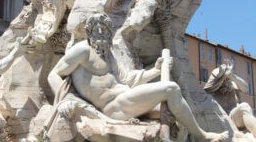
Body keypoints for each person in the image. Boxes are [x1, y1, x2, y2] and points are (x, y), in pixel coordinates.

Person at [48, 13, 228, 141]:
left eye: (105, 30)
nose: (101, 33)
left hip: (126, 99)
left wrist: (156, 70)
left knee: (175, 110)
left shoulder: (109, 55)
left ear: (110, 34)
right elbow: (54, 74)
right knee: (171, 89)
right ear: (90, 33)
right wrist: (64, 100)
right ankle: (202, 136)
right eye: (97, 30)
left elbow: (126, 80)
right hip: (112, 108)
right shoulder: (82, 51)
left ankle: (193, 136)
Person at [205, 62, 256, 138]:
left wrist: (232, 75)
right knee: (244, 106)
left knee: (244, 107)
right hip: (223, 120)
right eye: (224, 79)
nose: (227, 81)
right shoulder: (211, 92)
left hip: (234, 117)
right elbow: (208, 88)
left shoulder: (232, 86)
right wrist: (222, 75)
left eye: (227, 79)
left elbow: (245, 88)